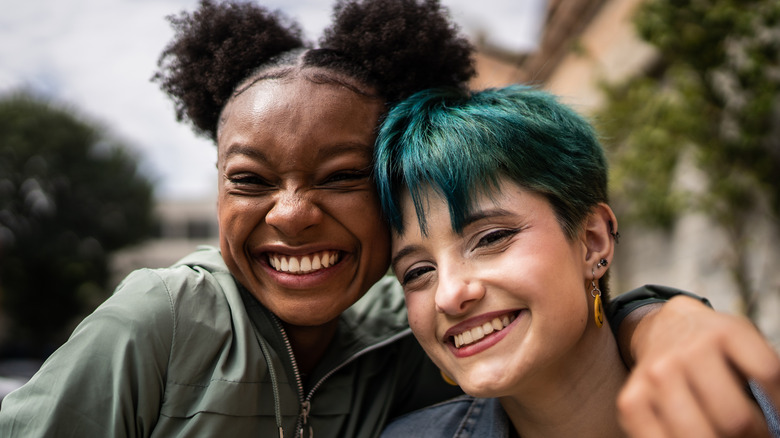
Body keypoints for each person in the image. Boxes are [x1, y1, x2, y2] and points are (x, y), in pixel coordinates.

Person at [0, 0, 777, 437]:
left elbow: (561, 325)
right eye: (249, 180)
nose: (293, 212)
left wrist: (667, 318)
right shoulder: (161, 317)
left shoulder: (409, 336)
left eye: (340, 177)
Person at [374, 84, 780, 438]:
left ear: (592, 241)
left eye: (491, 238)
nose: (447, 295)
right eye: (418, 272)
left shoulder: (759, 408)